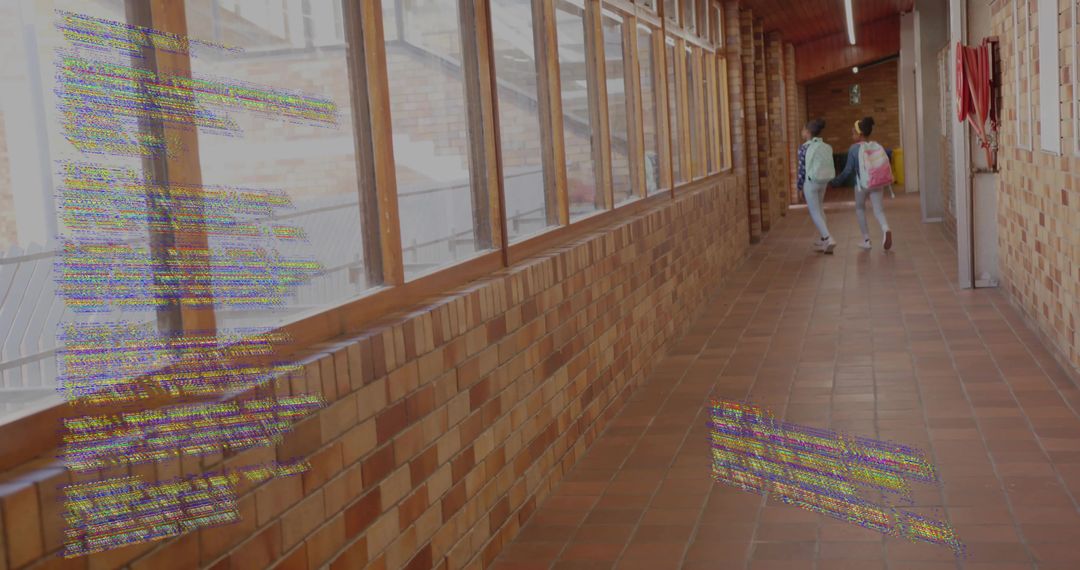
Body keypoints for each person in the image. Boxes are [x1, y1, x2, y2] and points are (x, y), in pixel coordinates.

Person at [830, 116, 893, 251]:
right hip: (877, 182)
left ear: (860, 134)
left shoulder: (854, 149)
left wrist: (835, 182)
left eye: (853, 133)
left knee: (860, 208)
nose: (852, 135)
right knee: (878, 210)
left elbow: (847, 171)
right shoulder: (876, 145)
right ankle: (886, 228)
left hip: (862, 184)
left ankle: (866, 240)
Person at [797, 118, 836, 254]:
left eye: (803, 129)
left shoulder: (804, 148)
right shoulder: (824, 145)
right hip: (823, 181)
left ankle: (828, 238)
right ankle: (823, 239)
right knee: (820, 209)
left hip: (810, 183)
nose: (801, 132)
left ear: (807, 132)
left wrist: (799, 187)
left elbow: (801, 170)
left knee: (815, 212)